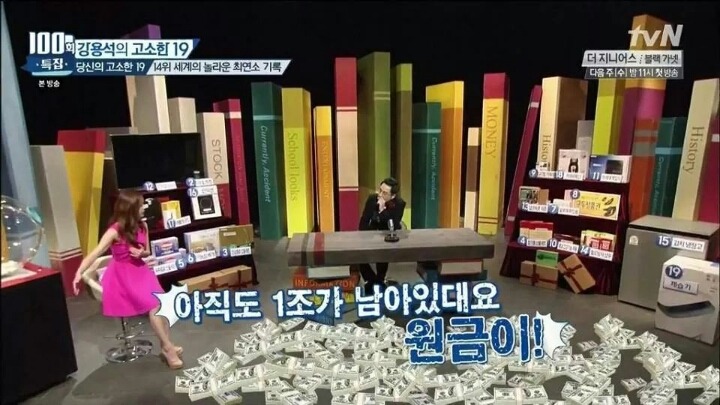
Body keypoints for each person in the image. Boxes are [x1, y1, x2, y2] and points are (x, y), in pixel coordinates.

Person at [72, 190, 184, 369]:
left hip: (141, 270)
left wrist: (141, 253)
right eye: (140, 205)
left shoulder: (143, 226)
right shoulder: (114, 230)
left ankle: (166, 345)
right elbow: (95, 253)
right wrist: (78, 273)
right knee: (154, 305)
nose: (144, 208)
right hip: (122, 275)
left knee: (162, 303)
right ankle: (168, 349)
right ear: (130, 208)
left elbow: (147, 251)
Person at [358, 177, 406, 294]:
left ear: (393, 196)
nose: (380, 195)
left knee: (383, 251)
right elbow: (363, 222)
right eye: (380, 190)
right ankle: (373, 281)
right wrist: (363, 236)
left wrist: (382, 210)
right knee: (358, 253)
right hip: (371, 233)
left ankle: (379, 279)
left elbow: (393, 226)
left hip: (388, 237)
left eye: (384, 193)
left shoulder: (399, 204)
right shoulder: (372, 199)